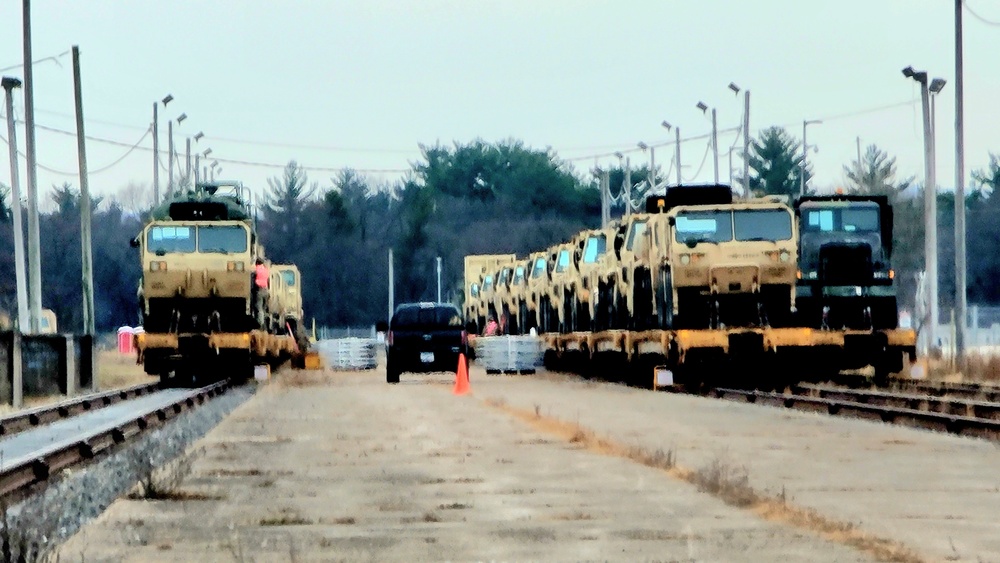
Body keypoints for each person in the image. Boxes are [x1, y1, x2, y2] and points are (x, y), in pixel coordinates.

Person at [253, 258, 269, 328]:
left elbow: (253, 278)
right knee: (263, 308)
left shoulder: (256, 269)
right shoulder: (266, 270)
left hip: (259, 290)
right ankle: (264, 325)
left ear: (257, 263)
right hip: (266, 290)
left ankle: (260, 324)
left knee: (259, 308)